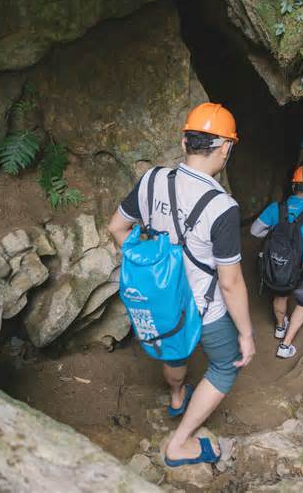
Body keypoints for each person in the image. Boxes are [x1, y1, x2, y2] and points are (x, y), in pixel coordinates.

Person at [107, 102, 255, 468]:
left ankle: (176, 397)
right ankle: (180, 443)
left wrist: (148, 262)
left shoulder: (152, 179)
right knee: (224, 366)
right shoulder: (223, 208)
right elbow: (231, 281)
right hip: (204, 308)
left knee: (174, 348)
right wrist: (247, 334)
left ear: (185, 140)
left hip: (162, 302)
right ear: (225, 148)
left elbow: (117, 228)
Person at [250, 165, 303, 359]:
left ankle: (279, 327)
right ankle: (285, 346)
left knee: (280, 296)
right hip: (302, 272)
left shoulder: (275, 208)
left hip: (277, 267)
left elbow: (254, 231)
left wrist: (276, 233)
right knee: (302, 304)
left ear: (294, 188)